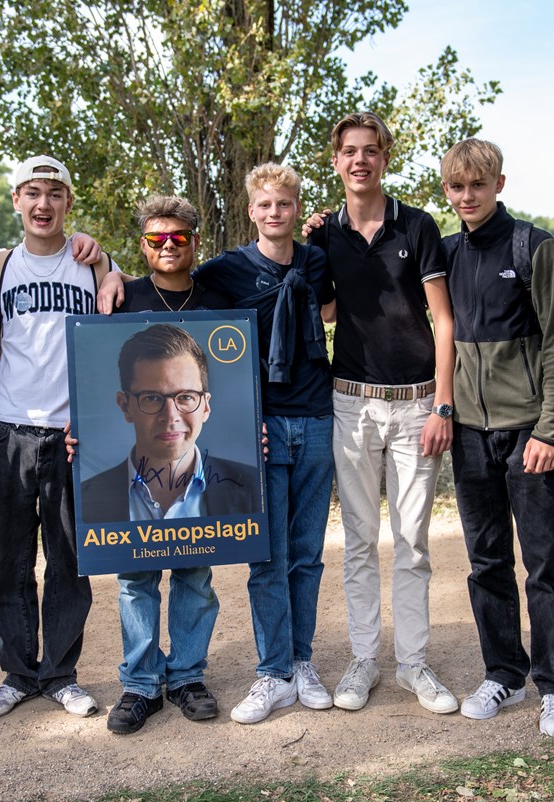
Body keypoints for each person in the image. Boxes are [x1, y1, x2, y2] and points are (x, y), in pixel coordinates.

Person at [305, 111, 458, 715]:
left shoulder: (417, 226)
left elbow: (443, 319)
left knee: (412, 542)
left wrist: (443, 402)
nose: (360, 160)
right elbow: (324, 314)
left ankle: (413, 664)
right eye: (349, 151)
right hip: (352, 403)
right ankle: (365, 658)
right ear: (336, 160)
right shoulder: (323, 236)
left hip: (419, 402)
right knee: (361, 542)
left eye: (370, 150)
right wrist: (306, 240)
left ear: (386, 156)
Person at [439, 138, 554, 737]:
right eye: (456, 187)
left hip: (530, 434)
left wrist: (549, 428)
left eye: (477, 184)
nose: (467, 196)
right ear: (447, 191)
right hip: (468, 433)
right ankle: (503, 674)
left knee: (543, 563)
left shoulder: (533, 246)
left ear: (499, 183)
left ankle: (553, 686)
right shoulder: (442, 254)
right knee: (486, 562)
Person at [192, 164, 336, 724]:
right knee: (267, 554)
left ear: (297, 209)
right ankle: (273, 672)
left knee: (306, 552)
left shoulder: (316, 260)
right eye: (265, 205)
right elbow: (172, 283)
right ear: (251, 210)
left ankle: (303, 662)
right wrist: (109, 274)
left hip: (317, 417)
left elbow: (337, 298)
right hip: (262, 424)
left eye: (285, 204)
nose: (275, 213)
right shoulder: (229, 268)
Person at [0, 155, 108, 722]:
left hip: (71, 436)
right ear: (16, 201)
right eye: (32, 192)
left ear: (68, 203)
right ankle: (16, 673)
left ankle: (60, 673)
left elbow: (113, 345)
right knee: (7, 560)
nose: (43, 204)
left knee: (68, 561)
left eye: (54, 193)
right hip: (8, 429)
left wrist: (106, 261)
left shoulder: (95, 267)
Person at [96, 197, 233, 735]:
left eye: (178, 236)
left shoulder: (220, 299)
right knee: (135, 577)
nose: (168, 245)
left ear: (195, 242)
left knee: (196, 573)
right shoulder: (121, 298)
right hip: (132, 481)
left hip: (200, 480)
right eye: (156, 239)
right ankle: (140, 683)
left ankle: (187, 676)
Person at [80, 323, 259, 522]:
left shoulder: (254, 487)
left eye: (186, 397)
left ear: (206, 407)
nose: (170, 415)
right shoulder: (85, 499)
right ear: (125, 406)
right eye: (152, 397)